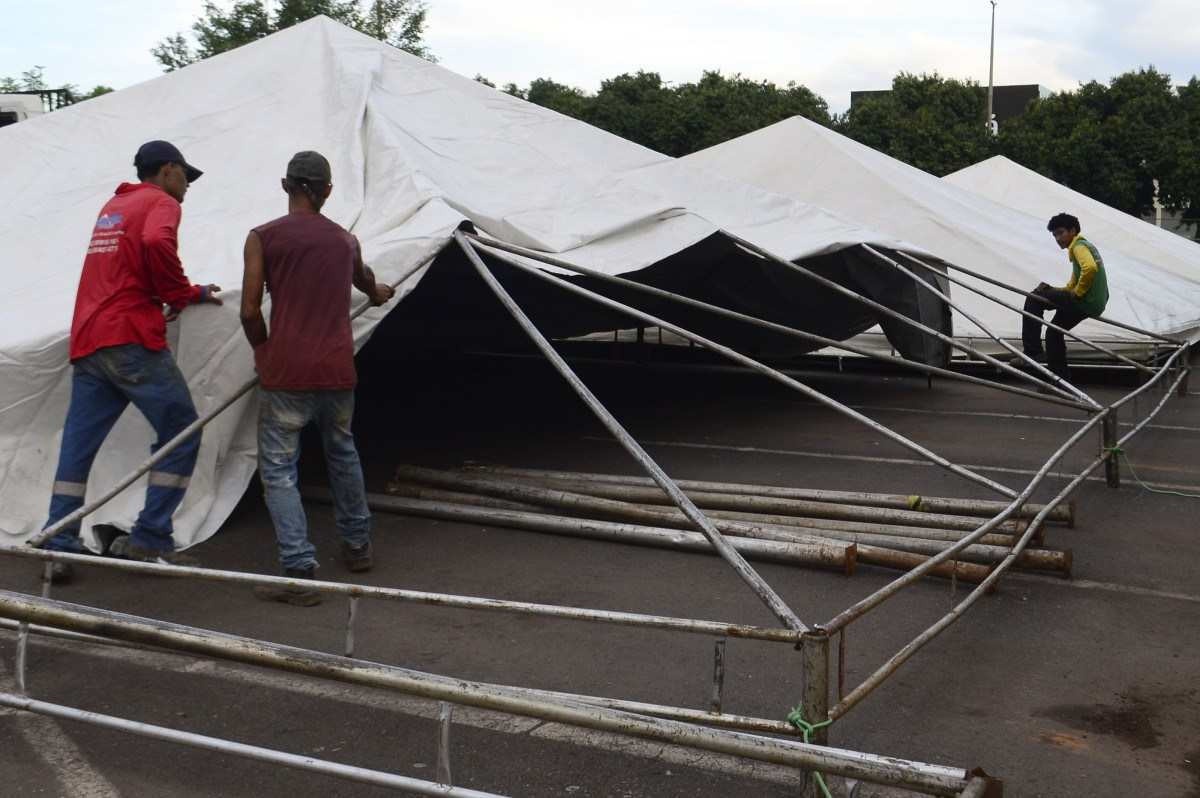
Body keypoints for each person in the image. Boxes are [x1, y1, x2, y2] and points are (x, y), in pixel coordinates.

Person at [41, 140, 223, 583]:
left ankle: (58, 542)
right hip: (129, 338)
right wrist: (183, 293)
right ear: (167, 171)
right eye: (185, 176)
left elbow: (124, 265)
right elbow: (156, 241)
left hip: (90, 338)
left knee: (77, 448)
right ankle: (149, 537)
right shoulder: (159, 203)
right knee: (182, 430)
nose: (187, 187)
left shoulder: (114, 206)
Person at [240, 151, 394, 606]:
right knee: (342, 454)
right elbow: (367, 282)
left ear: (285, 185)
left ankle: (300, 570)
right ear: (326, 190)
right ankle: (358, 546)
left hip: (286, 373)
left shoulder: (262, 238)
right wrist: (379, 293)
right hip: (336, 370)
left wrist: (264, 350)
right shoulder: (345, 241)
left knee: (280, 472)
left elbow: (249, 310)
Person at [1018, 213, 1109, 382]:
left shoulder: (1078, 247)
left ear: (1073, 231)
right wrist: (1055, 290)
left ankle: (1032, 352)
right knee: (1053, 334)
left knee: (1034, 298)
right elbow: (1071, 285)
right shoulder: (1085, 246)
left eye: (1061, 233)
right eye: (1055, 235)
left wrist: (1078, 292)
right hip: (1093, 303)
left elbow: (1090, 268)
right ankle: (1060, 381)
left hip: (1083, 300)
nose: (1058, 238)